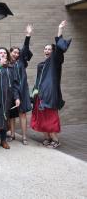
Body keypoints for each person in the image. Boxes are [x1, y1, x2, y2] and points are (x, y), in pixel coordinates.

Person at [31, 20, 71, 149]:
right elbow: (38, 80)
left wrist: (59, 30)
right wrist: (34, 91)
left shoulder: (55, 62)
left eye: (50, 49)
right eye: (45, 49)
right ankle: (47, 138)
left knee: (50, 117)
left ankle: (55, 140)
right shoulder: (41, 65)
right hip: (40, 95)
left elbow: (59, 50)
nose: (47, 50)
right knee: (41, 116)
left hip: (50, 95)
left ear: (53, 52)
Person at [8, 24, 33, 145]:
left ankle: (24, 136)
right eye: (14, 52)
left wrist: (28, 35)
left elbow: (26, 47)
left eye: (18, 53)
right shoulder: (7, 64)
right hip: (11, 91)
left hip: (22, 91)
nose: (16, 54)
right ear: (10, 53)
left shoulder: (21, 61)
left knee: (22, 114)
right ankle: (12, 134)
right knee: (11, 115)